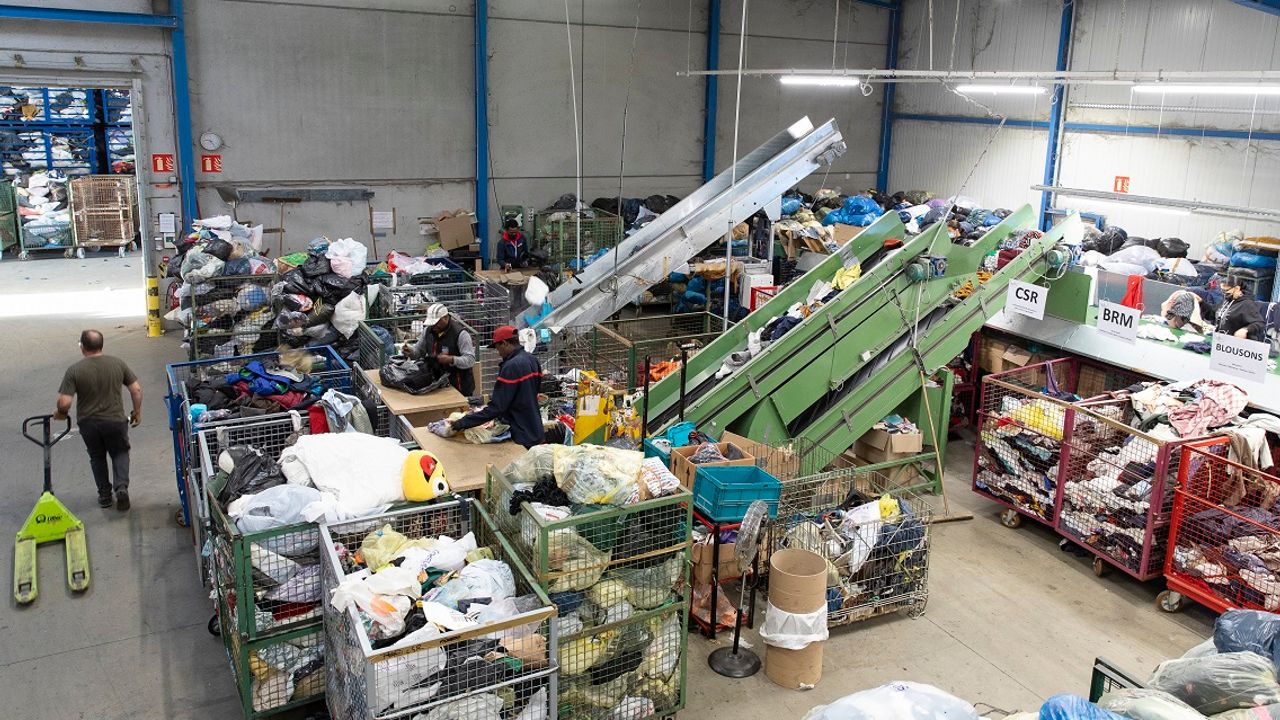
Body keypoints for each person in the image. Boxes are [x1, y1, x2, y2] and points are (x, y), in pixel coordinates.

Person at [53, 329, 142, 510]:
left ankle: (105, 495)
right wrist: (137, 412)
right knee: (120, 452)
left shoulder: (75, 370)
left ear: (82, 347)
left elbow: (65, 402)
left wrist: (60, 413)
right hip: (115, 421)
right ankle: (121, 488)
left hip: (89, 423)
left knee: (97, 457)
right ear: (101, 344)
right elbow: (136, 390)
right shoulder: (117, 364)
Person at [449, 325, 544, 448]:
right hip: (535, 429)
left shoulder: (511, 367)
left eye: (497, 348)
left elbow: (497, 408)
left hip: (520, 435)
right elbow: (529, 392)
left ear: (504, 343)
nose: (498, 353)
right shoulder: (532, 360)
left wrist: (462, 423)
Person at [407, 303, 477, 397]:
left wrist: (451, 359)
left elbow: (470, 360)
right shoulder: (428, 331)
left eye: (437, 322)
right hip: (436, 386)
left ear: (446, 317)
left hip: (459, 388)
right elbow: (419, 352)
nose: (434, 326)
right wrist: (410, 351)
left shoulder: (461, 335)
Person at [1215, 272, 1266, 342]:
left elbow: (1260, 323)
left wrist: (1245, 330)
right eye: (1222, 290)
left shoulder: (1247, 304)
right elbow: (1215, 313)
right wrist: (1201, 302)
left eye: (1226, 290)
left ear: (1237, 288)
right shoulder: (1227, 300)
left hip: (1239, 345)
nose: (1224, 293)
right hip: (1222, 341)